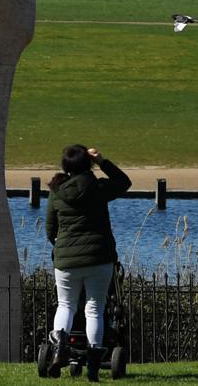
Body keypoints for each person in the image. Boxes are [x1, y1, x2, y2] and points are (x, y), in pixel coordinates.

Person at [45, 144, 131, 381]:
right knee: (94, 308)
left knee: (66, 305)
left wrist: (61, 247)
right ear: (88, 164)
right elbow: (124, 182)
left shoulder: (57, 190)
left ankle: (59, 347)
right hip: (98, 257)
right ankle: (93, 362)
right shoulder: (97, 188)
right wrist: (102, 161)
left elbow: (50, 229)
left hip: (66, 260)